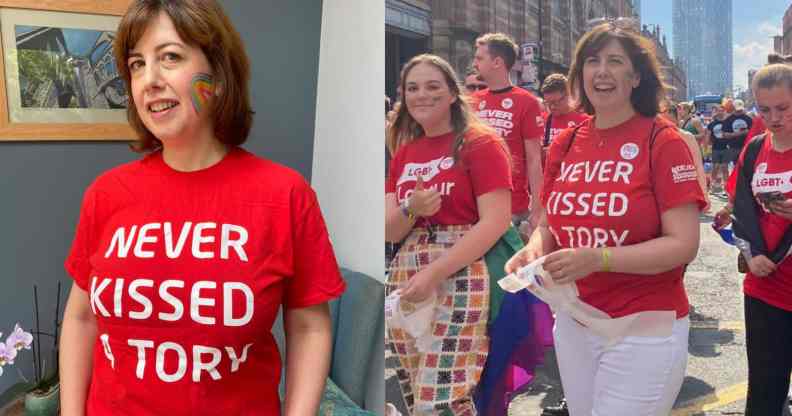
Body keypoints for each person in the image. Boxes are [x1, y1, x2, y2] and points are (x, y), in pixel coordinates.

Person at [59, 2, 346, 415]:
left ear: (218, 75)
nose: (150, 80)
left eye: (170, 57)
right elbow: (81, 319)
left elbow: (309, 325)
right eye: (137, 65)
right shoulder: (106, 194)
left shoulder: (284, 194)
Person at [505, 22, 705, 415]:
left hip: (644, 326)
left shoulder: (662, 140)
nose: (602, 71)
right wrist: (532, 250)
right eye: (592, 61)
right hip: (576, 322)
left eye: (615, 61)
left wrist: (601, 258)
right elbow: (549, 223)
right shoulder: (565, 142)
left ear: (635, 77)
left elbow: (684, 245)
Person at [385, 53, 513, 415]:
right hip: (406, 271)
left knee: (441, 395)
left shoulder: (479, 143)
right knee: (414, 388)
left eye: (432, 86)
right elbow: (389, 228)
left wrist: (434, 273)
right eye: (412, 88)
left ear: (453, 93)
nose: (421, 95)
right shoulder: (404, 152)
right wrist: (414, 208)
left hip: (461, 270)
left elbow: (495, 220)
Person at [716, 63, 792, 416]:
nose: (774, 118)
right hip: (764, 288)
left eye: (783, 108)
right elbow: (742, 210)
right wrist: (751, 250)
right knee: (763, 389)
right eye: (764, 109)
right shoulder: (755, 149)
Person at [471, 33, 544, 229]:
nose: (474, 63)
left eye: (479, 58)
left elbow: (535, 159)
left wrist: (537, 209)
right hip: (473, 208)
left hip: (512, 211)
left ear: (497, 62)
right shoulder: (471, 102)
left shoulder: (527, 102)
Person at [667, 102, 711, 212]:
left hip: (690, 153)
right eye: (679, 108)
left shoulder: (694, 121)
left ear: (687, 110)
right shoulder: (681, 124)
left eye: (682, 108)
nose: (680, 110)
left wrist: (689, 138)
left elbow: (702, 134)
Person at [705, 103, 730, 193]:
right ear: (717, 112)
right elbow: (707, 136)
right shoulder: (712, 124)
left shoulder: (728, 123)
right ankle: (713, 184)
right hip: (715, 147)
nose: (720, 112)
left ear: (724, 112)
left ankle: (726, 186)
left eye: (722, 111)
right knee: (715, 167)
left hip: (726, 148)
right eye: (719, 111)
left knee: (724, 167)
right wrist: (706, 148)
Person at [723, 99, 753, 168]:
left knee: (747, 166)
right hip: (734, 147)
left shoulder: (748, 118)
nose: (739, 111)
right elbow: (725, 135)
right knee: (737, 167)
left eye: (740, 110)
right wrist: (741, 133)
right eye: (737, 110)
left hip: (747, 146)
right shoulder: (728, 119)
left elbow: (753, 132)